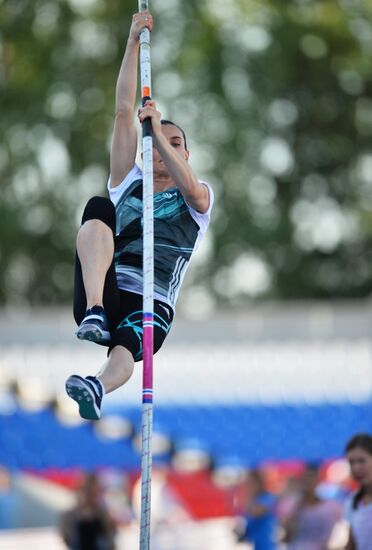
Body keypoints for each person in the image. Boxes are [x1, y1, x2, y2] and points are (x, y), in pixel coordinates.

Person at [65, 11, 214, 420]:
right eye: (157, 142)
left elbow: (192, 190)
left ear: (186, 154)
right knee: (98, 208)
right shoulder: (127, 181)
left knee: (128, 344)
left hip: (151, 300)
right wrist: (133, 41)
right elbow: (121, 110)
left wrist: (157, 133)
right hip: (107, 290)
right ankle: (95, 311)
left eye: (176, 142)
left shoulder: (197, 199)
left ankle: (97, 386)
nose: (166, 147)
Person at [281, 463, 341, 550]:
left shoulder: (332, 507)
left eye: (312, 479)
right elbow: (286, 537)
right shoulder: (291, 504)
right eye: (306, 479)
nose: (309, 483)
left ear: (318, 481)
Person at [59, 473, 117, 550]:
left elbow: (110, 542)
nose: (88, 495)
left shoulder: (105, 515)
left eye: (93, 491)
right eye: (86, 490)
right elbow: (68, 539)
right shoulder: (69, 516)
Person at [236, 469, 279, 550]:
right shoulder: (252, 500)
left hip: (267, 544)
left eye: (250, 482)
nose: (248, 486)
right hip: (256, 545)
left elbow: (256, 511)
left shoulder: (267, 497)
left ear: (258, 483)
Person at [344, 433, 372, 550]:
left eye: (361, 461)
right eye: (351, 462)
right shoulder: (353, 501)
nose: (356, 468)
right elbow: (351, 544)